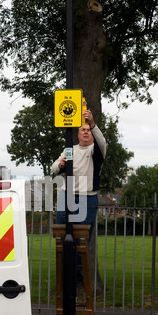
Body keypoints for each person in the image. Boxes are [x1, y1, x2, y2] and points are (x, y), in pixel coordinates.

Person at [52, 109, 106, 283]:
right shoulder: (70, 150)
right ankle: (65, 274)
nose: (85, 132)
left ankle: (78, 276)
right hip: (66, 196)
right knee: (62, 236)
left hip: (87, 198)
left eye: (88, 130)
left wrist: (92, 122)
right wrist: (59, 164)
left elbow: (102, 142)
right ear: (77, 134)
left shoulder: (95, 151)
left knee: (81, 239)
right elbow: (54, 169)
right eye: (82, 130)